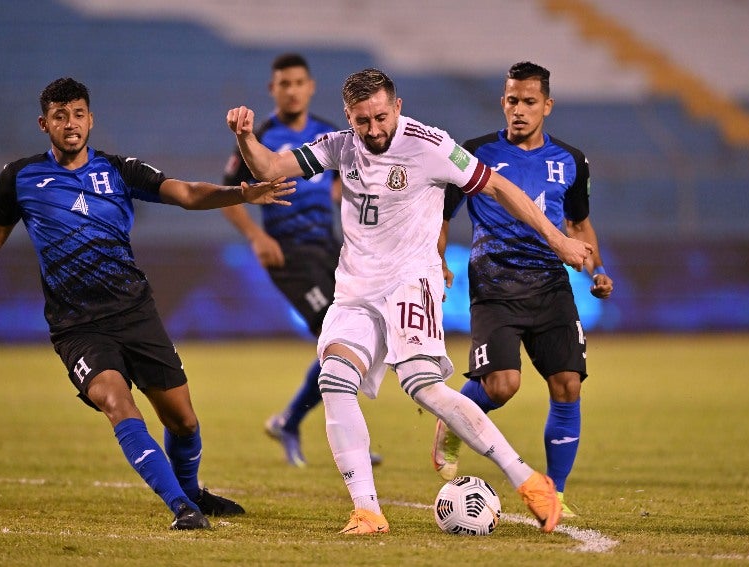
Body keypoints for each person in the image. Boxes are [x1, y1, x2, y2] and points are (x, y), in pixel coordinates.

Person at [226, 68, 593, 535]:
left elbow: (500, 188)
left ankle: (526, 479)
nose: (374, 130)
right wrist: (244, 138)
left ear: (396, 107)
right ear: (349, 117)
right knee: (335, 379)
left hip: (409, 282)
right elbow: (271, 169)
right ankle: (367, 511)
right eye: (363, 121)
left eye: (381, 117)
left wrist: (559, 241)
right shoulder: (341, 145)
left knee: (424, 388)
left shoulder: (430, 145)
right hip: (356, 289)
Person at [0, 77, 295, 530]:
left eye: (78, 114)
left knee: (183, 422)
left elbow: (185, 194)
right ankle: (181, 507)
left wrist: (240, 194)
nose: (70, 124)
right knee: (117, 403)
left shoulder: (118, 170)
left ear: (91, 119)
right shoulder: (20, 177)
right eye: (60, 116)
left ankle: (192, 493)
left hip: (135, 313)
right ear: (43, 123)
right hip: (78, 327)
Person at [432, 61, 614, 519]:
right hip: (494, 284)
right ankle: (452, 422)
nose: (519, 110)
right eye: (512, 100)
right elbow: (441, 214)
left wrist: (597, 269)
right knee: (502, 384)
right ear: (503, 102)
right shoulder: (475, 154)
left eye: (529, 101)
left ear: (547, 106)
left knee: (568, 385)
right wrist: (437, 260)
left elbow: (577, 222)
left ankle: (557, 493)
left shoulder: (571, 160)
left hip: (551, 286)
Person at [221, 53, 381, 468]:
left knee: (353, 341)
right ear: (273, 90)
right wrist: (257, 236)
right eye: (283, 84)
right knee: (338, 342)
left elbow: (346, 182)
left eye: (298, 83)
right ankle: (327, 435)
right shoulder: (261, 136)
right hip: (288, 253)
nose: (291, 90)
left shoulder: (329, 133)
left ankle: (291, 421)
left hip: (329, 249)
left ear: (310, 87)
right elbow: (229, 194)